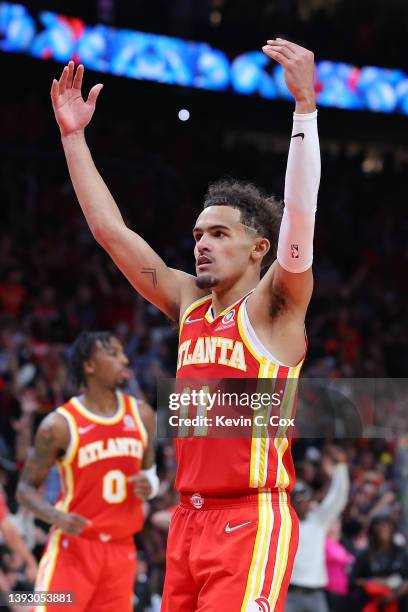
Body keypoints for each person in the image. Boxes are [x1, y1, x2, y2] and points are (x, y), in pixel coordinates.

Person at [50, 37, 320, 611]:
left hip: (251, 518)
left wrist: (305, 112)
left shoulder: (277, 303)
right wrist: (74, 137)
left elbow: (300, 215)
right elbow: (111, 232)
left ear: (258, 249)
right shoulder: (186, 302)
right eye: (197, 234)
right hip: (187, 520)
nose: (202, 244)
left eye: (219, 234)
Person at [16, 332, 157, 612]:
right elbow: (24, 489)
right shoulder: (59, 425)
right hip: (75, 549)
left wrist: (150, 485)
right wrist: (56, 516)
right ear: (89, 365)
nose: (125, 359)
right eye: (114, 354)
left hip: (121, 551)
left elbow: (150, 474)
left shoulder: (142, 414)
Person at [286, 447, 350, 612]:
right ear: (291, 502)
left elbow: (338, 498)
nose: (303, 504)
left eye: (305, 500)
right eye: (298, 500)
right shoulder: (285, 523)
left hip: (316, 593)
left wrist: (341, 467)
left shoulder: (318, 521)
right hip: (289, 592)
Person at [350, 515, 408, 612]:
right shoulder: (364, 555)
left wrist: (394, 595)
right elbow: (353, 580)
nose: (384, 529)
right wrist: (377, 582)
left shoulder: (402, 553)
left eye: (387, 525)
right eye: (380, 526)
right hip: (371, 602)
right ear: (373, 530)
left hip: (399, 602)